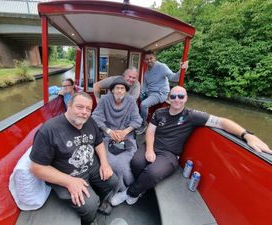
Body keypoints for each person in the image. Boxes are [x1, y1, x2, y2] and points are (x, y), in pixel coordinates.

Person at [111, 85, 272, 206]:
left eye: (181, 96)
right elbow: (150, 132)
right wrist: (150, 149)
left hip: (170, 154)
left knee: (152, 172)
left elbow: (222, 122)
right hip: (152, 146)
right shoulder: (160, 113)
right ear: (168, 98)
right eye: (173, 96)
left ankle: (131, 192)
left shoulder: (192, 116)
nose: (177, 99)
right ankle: (142, 187)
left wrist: (246, 135)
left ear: (186, 98)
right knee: (136, 162)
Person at [29, 92, 119, 225]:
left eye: (88, 109)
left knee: (113, 181)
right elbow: (36, 168)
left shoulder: (90, 121)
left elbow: (98, 142)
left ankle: (99, 201)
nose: (84, 112)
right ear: (69, 106)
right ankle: (90, 219)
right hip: (67, 174)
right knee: (89, 205)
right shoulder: (49, 130)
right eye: (79, 107)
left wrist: (104, 164)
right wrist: (69, 181)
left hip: (92, 167)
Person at [92, 77, 142, 192]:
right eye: (117, 88)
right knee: (112, 163)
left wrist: (125, 131)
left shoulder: (130, 101)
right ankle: (122, 189)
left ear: (126, 91)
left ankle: (128, 187)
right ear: (112, 90)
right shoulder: (105, 100)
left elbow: (137, 120)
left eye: (122, 88)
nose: (119, 91)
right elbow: (95, 117)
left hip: (126, 136)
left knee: (126, 164)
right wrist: (109, 131)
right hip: (108, 136)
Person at [136, 50, 188, 134]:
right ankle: (138, 120)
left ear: (155, 58)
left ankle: (143, 124)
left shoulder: (161, 67)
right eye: (146, 59)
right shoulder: (146, 73)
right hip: (150, 93)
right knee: (138, 99)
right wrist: (140, 94)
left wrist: (182, 69)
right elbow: (145, 86)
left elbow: (174, 78)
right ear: (144, 60)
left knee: (144, 104)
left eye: (151, 58)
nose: (149, 61)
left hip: (160, 93)